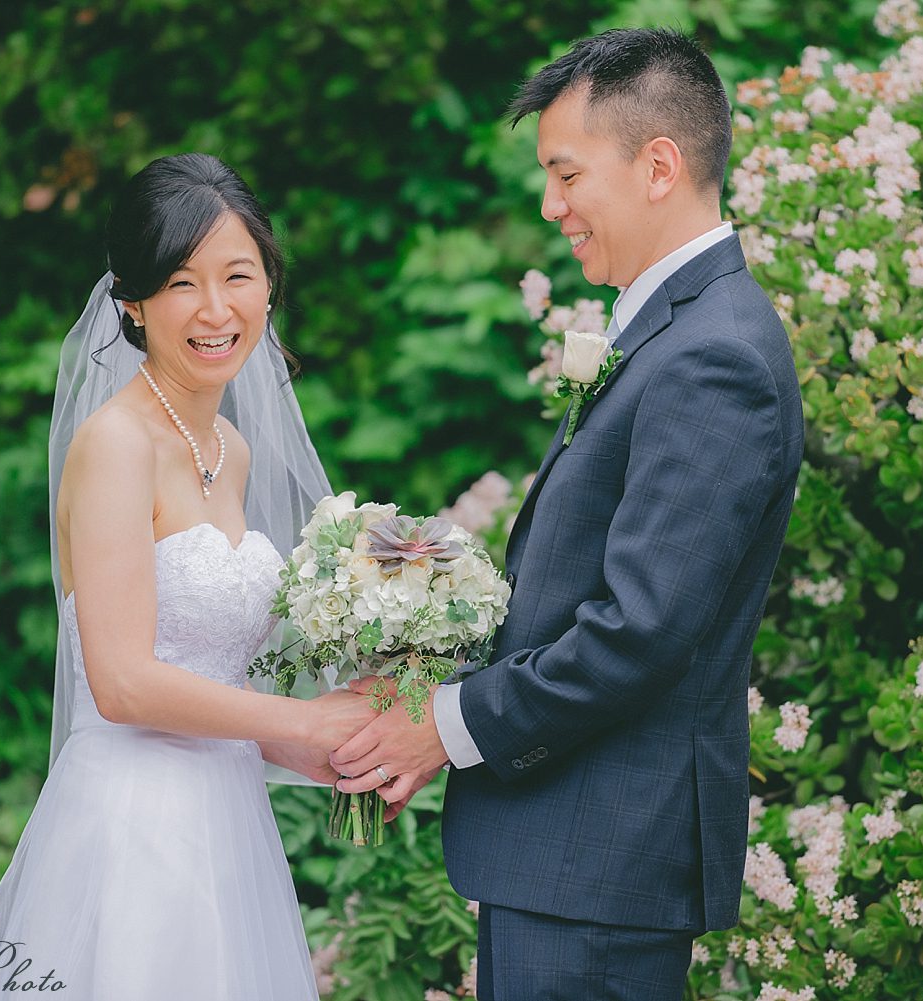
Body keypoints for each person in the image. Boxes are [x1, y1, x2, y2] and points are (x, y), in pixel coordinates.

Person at [331, 28, 804, 999]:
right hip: (568, 859)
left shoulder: (716, 357)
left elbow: (639, 632)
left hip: (601, 865)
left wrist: (447, 723)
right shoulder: (674, 330)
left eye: (566, 174)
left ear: (659, 165)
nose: (551, 206)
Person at [0, 153, 377, 1000]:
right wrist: (307, 715)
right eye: (184, 282)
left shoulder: (234, 452)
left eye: (239, 276)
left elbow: (218, 681)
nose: (217, 309)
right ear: (133, 302)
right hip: (133, 831)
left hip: (229, 831)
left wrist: (343, 750)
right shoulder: (115, 444)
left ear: (269, 287)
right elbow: (122, 682)